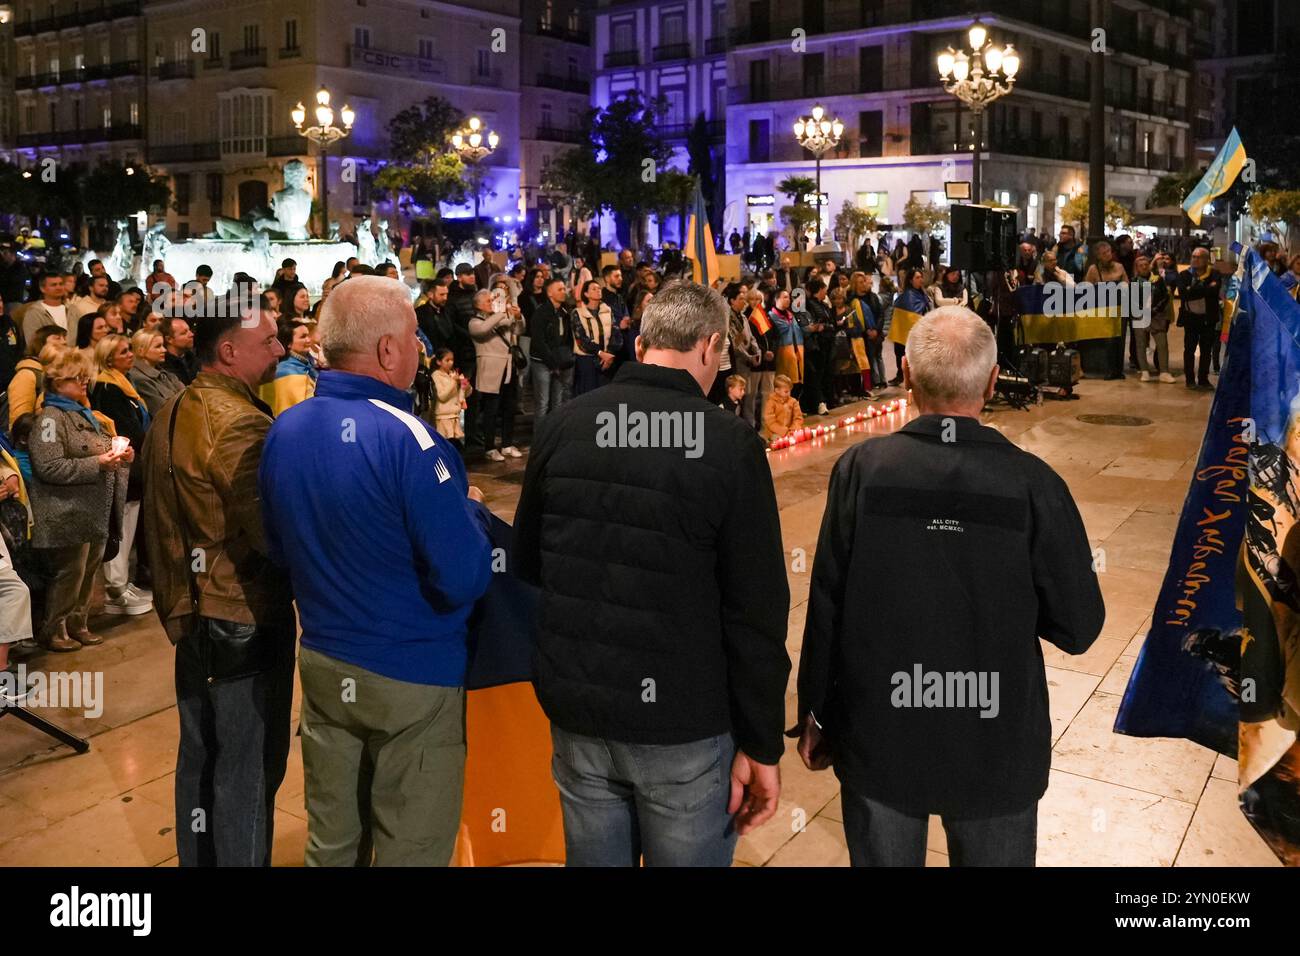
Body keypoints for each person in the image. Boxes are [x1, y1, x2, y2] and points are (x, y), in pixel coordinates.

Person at [795, 306, 1104, 866]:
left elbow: (827, 604)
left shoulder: (860, 470)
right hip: (995, 743)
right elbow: (1079, 626)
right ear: (991, 382)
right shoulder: (1034, 483)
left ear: (907, 373)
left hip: (879, 733)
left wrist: (815, 709)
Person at [514, 281, 790, 866]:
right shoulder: (729, 443)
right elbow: (756, 609)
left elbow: (530, 562)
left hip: (578, 710)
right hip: (681, 725)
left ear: (640, 344)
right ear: (712, 346)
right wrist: (762, 741)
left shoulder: (563, 424)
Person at [259, 274, 494, 866]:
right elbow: (465, 575)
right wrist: (467, 514)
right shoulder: (411, 440)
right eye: (414, 338)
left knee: (331, 843)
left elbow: (280, 552)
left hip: (323, 666)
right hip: (412, 675)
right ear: (388, 350)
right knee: (410, 847)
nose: (419, 350)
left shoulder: (285, 429)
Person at [141, 292, 294, 867]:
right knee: (247, 773)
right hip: (242, 621)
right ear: (228, 351)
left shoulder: (174, 409)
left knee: (201, 763)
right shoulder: (240, 424)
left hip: (192, 618)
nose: (280, 350)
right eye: (269, 342)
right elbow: (270, 532)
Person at [30, 349, 131, 651]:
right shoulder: (50, 419)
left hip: (91, 510)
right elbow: (48, 467)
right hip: (65, 511)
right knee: (68, 573)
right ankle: (54, 629)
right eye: (77, 378)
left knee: (88, 570)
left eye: (85, 376)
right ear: (58, 382)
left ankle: (79, 623)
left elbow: (100, 447)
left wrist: (123, 455)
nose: (84, 382)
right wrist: (98, 463)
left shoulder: (81, 412)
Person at [89, 334, 153, 616]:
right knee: (120, 527)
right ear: (108, 358)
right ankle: (115, 588)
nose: (130, 355)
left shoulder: (126, 384)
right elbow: (124, 428)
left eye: (130, 350)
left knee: (130, 524)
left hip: (134, 467)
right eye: (124, 351)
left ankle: (122, 581)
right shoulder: (107, 387)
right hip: (122, 466)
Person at [469, 288, 524, 461]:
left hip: (509, 368)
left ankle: (507, 444)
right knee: (491, 410)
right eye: (487, 301)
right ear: (478, 305)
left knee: (509, 408)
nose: (491, 303)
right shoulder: (474, 322)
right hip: (490, 371)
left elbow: (520, 330)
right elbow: (484, 329)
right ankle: (490, 447)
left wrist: (517, 316)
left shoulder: (501, 319)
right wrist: (501, 313)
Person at [1166, 246, 1223, 390]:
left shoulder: (1214, 274)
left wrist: (1194, 290)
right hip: (1191, 318)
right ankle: (1190, 380)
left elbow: (1214, 290)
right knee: (1189, 350)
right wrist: (1205, 289)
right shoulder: (1184, 274)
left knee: (1206, 350)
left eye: (1199, 257)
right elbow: (1184, 294)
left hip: (1208, 318)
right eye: (1193, 257)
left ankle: (1203, 379)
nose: (1195, 260)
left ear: (1206, 260)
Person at [528, 277, 574, 426]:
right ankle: (540, 441)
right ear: (550, 294)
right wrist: (552, 363)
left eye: (564, 289)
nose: (564, 292)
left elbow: (567, 337)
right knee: (543, 403)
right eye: (559, 289)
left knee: (559, 402)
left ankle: (556, 436)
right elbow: (538, 341)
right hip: (542, 362)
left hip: (560, 361)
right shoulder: (541, 313)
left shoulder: (565, 311)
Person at [7, 326, 65, 429]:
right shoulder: (27, 375)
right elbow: (19, 423)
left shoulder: (58, 375)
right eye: (57, 338)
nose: (64, 342)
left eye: (65, 338)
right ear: (41, 343)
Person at [571, 279, 620, 396]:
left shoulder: (607, 310)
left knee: (606, 395)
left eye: (599, 288)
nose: (598, 290)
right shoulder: (577, 313)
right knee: (589, 394)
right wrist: (599, 352)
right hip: (587, 360)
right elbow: (580, 338)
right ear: (586, 294)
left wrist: (609, 354)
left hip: (608, 358)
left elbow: (616, 333)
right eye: (594, 289)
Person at [261, 320, 318, 416]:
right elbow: (301, 410)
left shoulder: (308, 364)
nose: (308, 340)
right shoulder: (287, 372)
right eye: (303, 337)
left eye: (308, 335)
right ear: (289, 343)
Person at [1133, 253, 1175, 384]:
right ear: (1137, 268)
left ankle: (1164, 371)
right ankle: (1144, 371)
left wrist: (1156, 309)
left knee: (1162, 344)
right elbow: (1131, 300)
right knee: (1140, 344)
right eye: (1141, 266)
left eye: (1146, 264)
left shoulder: (1158, 280)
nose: (1144, 267)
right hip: (1140, 315)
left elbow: (1165, 296)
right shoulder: (1134, 282)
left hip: (1157, 316)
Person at [127, 328, 186, 416]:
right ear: (141, 351)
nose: (164, 350)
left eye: (163, 345)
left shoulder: (165, 373)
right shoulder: (139, 379)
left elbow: (189, 397)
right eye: (158, 346)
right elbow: (165, 412)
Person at [745, 288, 777, 430]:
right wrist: (763, 353)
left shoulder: (766, 316)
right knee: (750, 396)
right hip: (755, 363)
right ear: (747, 300)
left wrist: (772, 351)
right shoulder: (745, 317)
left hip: (769, 364)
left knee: (768, 395)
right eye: (752, 299)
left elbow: (775, 337)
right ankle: (750, 424)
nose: (755, 302)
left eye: (758, 299)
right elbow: (750, 340)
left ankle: (766, 423)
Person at [431, 347, 471, 446]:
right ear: (439, 362)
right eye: (447, 360)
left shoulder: (453, 374)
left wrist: (466, 386)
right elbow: (442, 396)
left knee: (456, 445)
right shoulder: (436, 376)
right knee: (445, 444)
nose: (450, 363)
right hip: (443, 417)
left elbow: (466, 394)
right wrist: (453, 381)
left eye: (452, 360)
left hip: (455, 415)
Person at [767, 288, 804, 388]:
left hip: (796, 352)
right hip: (781, 353)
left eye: (789, 297)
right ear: (776, 299)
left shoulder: (791, 315)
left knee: (796, 384)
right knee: (783, 383)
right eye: (785, 297)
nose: (788, 300)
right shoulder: (771, 316)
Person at [21, 272, 70, 341]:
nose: (58, 287)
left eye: (61, 284)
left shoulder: (71, 309)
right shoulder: (34, 313)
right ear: (42, 289)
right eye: (54, 285)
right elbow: (33, 343)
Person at [762, 373, 803, 439]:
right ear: (777, 390)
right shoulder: (771, 402)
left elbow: (798, 418)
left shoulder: (793, 401)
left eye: (790, 391)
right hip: (774, 433)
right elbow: (770, 422)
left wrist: (793, 429)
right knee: (778, 439)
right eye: (786, 391)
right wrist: (784, 431)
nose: (789, 394)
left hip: (790, 432)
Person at [160, 316, 199, 384]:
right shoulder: (163, 365)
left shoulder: (193, 357)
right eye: (184, 333)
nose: (191, 334)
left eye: (189, 330)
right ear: (169, 339)